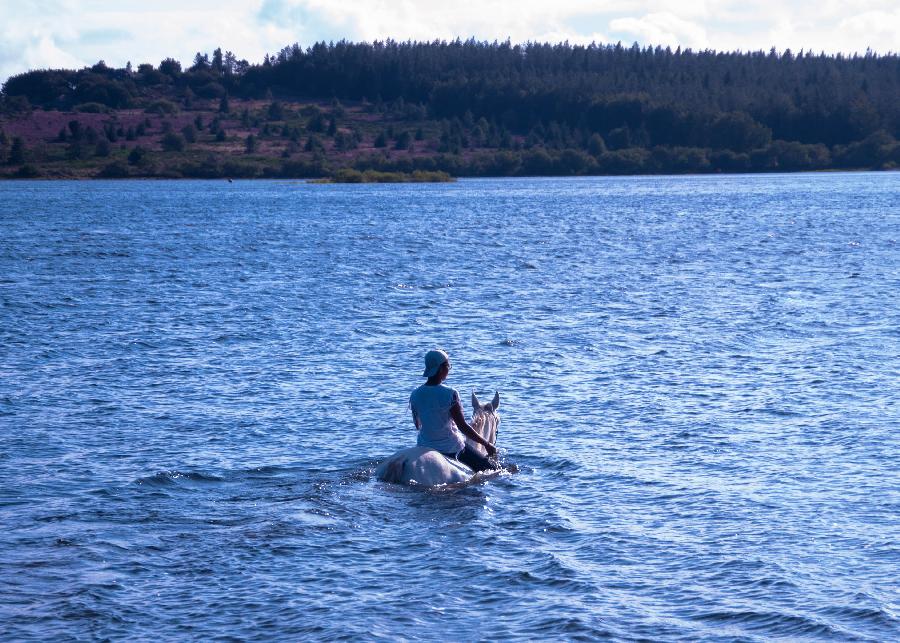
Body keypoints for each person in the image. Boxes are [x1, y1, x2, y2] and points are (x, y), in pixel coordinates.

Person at [409, 349, 497, 472]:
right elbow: (462, 426)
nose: (448, 369)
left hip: (424, 446)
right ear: (440, 369)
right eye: (448, 366)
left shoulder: (415, 394)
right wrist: (486, 444)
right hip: (451, 447)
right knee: (492, 470)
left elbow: (418, 425)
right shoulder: (450, 394)